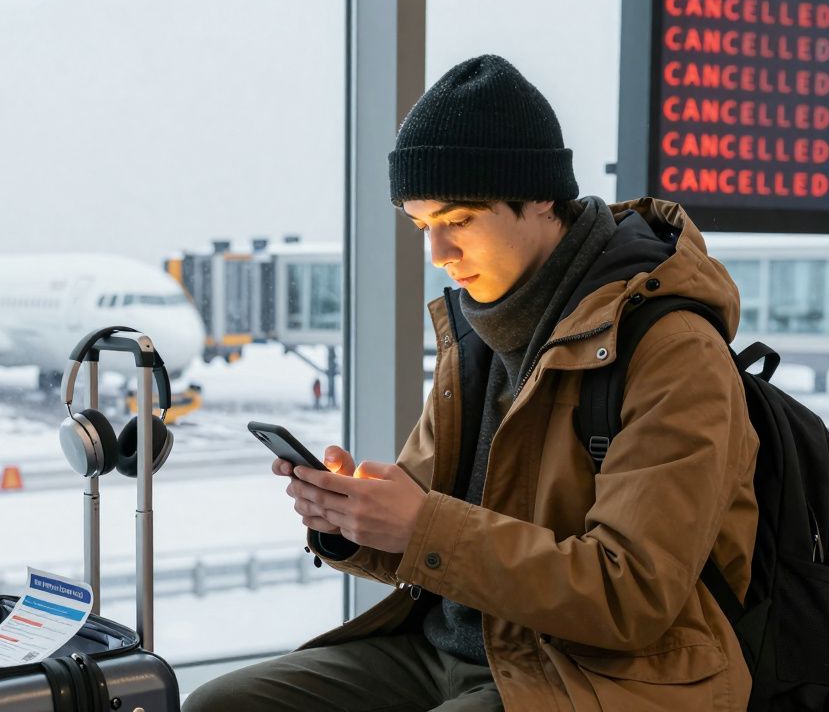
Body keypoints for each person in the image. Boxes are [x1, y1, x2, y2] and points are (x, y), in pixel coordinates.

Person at [184, 54, 758, 711]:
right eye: (423, 226)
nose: (438, 254)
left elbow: (632, 596)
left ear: (540, 198)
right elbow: (426, 523)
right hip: (453, 646)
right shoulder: (481, 328)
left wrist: (420, 526)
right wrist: (352, 520)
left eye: (458, 220)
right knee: (220, 705)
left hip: (604, 671)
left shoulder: (672, 348)